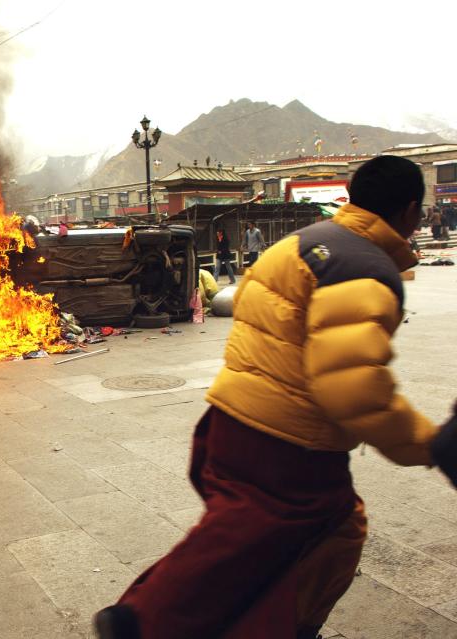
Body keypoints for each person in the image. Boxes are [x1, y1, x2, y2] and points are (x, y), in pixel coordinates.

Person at [94, 155, 454, 639]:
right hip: (286, 445)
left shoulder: (299, 244)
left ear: (351, 195)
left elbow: (248, 305)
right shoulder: (363, 268)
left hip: (225, 421)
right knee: (265, 539)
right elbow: (352, 385)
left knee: (308, 535)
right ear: (411, 210)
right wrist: (426, 443)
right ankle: (144, 620)